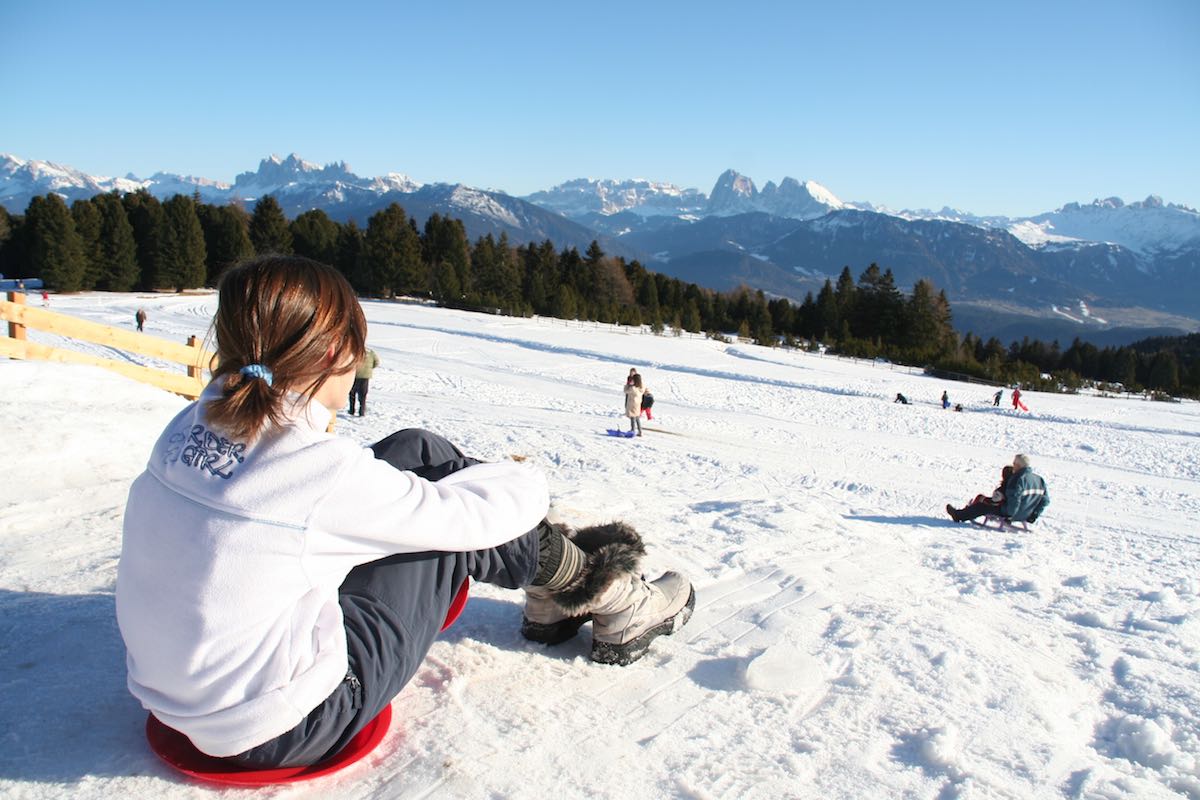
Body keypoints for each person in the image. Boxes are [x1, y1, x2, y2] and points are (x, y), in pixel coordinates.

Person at [115, 255, 694, 769]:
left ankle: (555, 591)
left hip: (178, 700)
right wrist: (523, 477)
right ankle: (614, 597)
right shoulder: (317, 471)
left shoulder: (189, 427)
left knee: (415, 450)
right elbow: (475, 519)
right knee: (455, 522)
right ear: (339, 353)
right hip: (286, 726)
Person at [946, 454, 1049, 523]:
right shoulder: (1039, 480)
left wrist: (1010, 515)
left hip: (1013, 513)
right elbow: (1045, 500)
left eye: (1014, 464)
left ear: (1018, 465)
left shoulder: (1017, 479)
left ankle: (959, 515)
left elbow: (1015, 498)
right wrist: (1034, 515)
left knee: (981, 507)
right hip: (1027, 514)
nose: (1013, 466)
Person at [348, 347, 379, 416]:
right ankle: (362, 411)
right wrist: (369, 369)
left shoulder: (354, 351)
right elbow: (377, 362)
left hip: (355, 375)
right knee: (363, 394)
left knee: (352, 393)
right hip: (365, 376)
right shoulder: (371, 352)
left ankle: (351, 410)